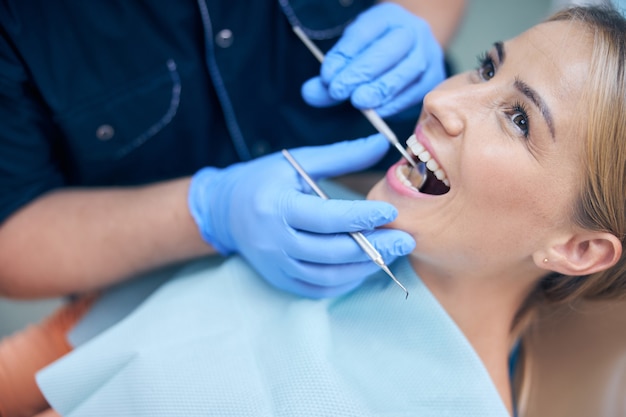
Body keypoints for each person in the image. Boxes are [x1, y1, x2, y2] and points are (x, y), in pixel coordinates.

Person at [4, 4, 626, 416]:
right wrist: (209, 213)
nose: (440, 98)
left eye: (518, 119)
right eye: (486, 66)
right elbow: (37, 361)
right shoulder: (222, 266)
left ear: (579, 249)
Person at [0, 0, 465, 301]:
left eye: (489, 71)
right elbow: (12, 236)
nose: (451, 108)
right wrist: (210, 211)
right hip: (158, 299)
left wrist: (420, 21)